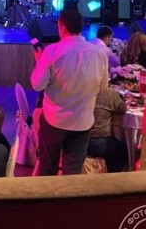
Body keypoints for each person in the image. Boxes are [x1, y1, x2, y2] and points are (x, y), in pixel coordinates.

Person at [31, 9, 108, 175]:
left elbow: (37, 85)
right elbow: (103, 88)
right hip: (83, 121)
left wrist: (39, 61)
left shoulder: (52, 51)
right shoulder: (99, 53)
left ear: (63, 28)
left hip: (54, 120)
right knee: (73, 172)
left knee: (47, 168)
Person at [86, 86, 128, 172]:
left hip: (79, 141)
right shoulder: (108, 93)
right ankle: (111, 175)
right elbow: (122, 110)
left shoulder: (82, 91)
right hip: (101, 142)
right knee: (125, 150)